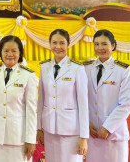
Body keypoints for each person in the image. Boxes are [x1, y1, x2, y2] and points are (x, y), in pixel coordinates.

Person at [37, 29, 89, 162]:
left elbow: (83, 104)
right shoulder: (44, 67)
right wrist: (39, 128)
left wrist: (83, 136)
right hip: (49, 128)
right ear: (49, 44)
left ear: (68, 44)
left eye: (62, 43)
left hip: (70, 129)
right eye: (54, 42)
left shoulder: (77, 68)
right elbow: (41, 100)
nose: (58, 47)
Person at [0, 35, 38, 162]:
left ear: (20, 53)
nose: (10, 54)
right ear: (0, 52)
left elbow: (31, 110)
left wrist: (30, 139)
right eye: (6, 50)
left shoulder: (28, 75)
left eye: (14, 51)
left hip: (18, 137)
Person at [84, 29, 130, 162]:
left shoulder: (123, 70)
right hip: (92, 133)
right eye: (96, 44)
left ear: (113, 46)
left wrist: (107, 127)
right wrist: (86, 123)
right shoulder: (86, 68)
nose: (100, 48)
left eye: (104, 44)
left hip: (114, 133)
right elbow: (82, 99)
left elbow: (126, 104)